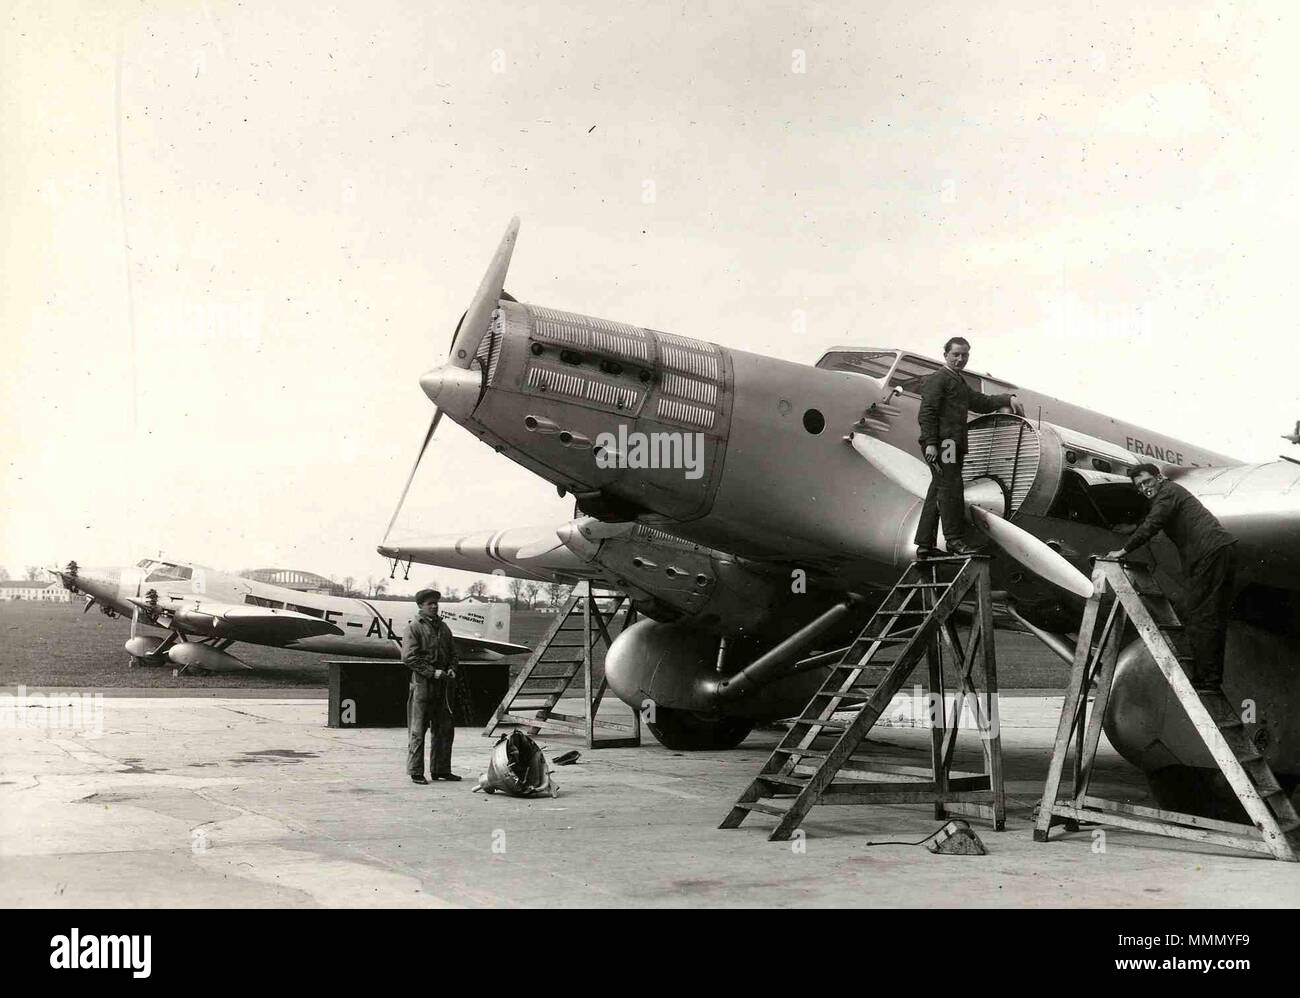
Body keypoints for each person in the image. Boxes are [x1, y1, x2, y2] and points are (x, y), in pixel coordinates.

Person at [1106, 464, 1238, 693]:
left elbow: (1154, 522)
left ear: (1159, 478)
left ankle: (1207, 680)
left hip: (1210, 553)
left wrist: (1123, 550)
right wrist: (1133, 528)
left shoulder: (1167, 492)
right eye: (1140, 486)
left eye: (1147, 482)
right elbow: (1153, 519)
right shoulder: (1169, 494)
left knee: (1199, 615)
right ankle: (1209, 677)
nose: (1145, 488)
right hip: (1217, 551)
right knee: (1206, 615)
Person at [914, 336, 1021, 557]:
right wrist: (932, 444)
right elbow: (927, 413)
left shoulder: (957, 382)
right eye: (956, 354)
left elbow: (980, 402)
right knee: (951, 487)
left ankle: (925, 546)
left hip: (949, 443)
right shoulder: (939, 379)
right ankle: (954, 541)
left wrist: (1006, 398)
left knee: (938, 489)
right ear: (945, 355)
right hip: (946, 444)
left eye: (964, 355)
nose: (960, 359)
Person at [402, 588, 461, 783]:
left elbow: (453, 652)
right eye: (430, 603)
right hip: (422, 686)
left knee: (444, 729)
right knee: (418, 730)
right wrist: (431, 672)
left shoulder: (444, 628)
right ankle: (416, 771)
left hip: (443, 687)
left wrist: (452, 668)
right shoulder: (414, 627)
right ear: (420, 606)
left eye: (436, 603)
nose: (434, 606)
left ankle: (441, 770)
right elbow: (409, 657)